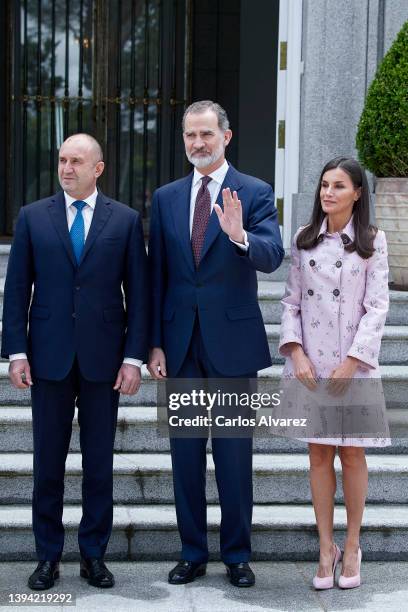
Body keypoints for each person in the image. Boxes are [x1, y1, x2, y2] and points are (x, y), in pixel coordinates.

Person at [1, 134, 149, 590]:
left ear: (98, 168)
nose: (67, 168)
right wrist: (17, 351)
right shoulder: (32, 217)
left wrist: (133, 359)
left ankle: (93, 555)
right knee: (48, 463)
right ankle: (47, 556)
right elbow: (17, 287)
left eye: (77, 161)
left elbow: (139, 297)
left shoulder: (124, 221)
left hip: (105, 362)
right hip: (48, 359)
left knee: (99, 464)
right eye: (62, 159)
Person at [148, 100, 284, 587]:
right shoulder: (165, 198)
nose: (198, 143)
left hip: (230, 342)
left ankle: (237, 555)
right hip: (179, 343)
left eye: (206, 134)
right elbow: (156, 275)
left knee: (232, 455)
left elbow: (272, 256)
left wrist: (239, 234)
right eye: (190, 136)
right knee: (184, 455)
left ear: (226, 136)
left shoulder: (255, 191)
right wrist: (154, 344)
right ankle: (191, 551)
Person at [279, 157, 390, 590]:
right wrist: (296, 353)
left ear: (358, 193)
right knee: (319, 455)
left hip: (354, 367)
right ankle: (326, 548)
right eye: (324, 185)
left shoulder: (372, 241)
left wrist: (354, 360)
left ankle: (353, 542)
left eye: (339, 186)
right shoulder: (304, 240)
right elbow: (290, 303)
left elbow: (378, 307)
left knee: (353, 454)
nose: (328, 193)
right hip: (311, 365)